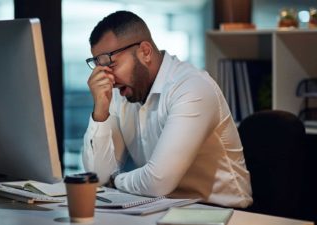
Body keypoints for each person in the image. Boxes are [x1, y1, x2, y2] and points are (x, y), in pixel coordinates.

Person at [82, 10, 253, 208]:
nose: (108, 79)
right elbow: (98, 176)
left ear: (145, 52)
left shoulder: (191, 88)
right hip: (164, 208)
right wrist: (100, 112)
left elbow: (157, 181)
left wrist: (116, 180)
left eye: (111, 65)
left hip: (222, 211)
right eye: (101, 69)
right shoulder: (123, 91)